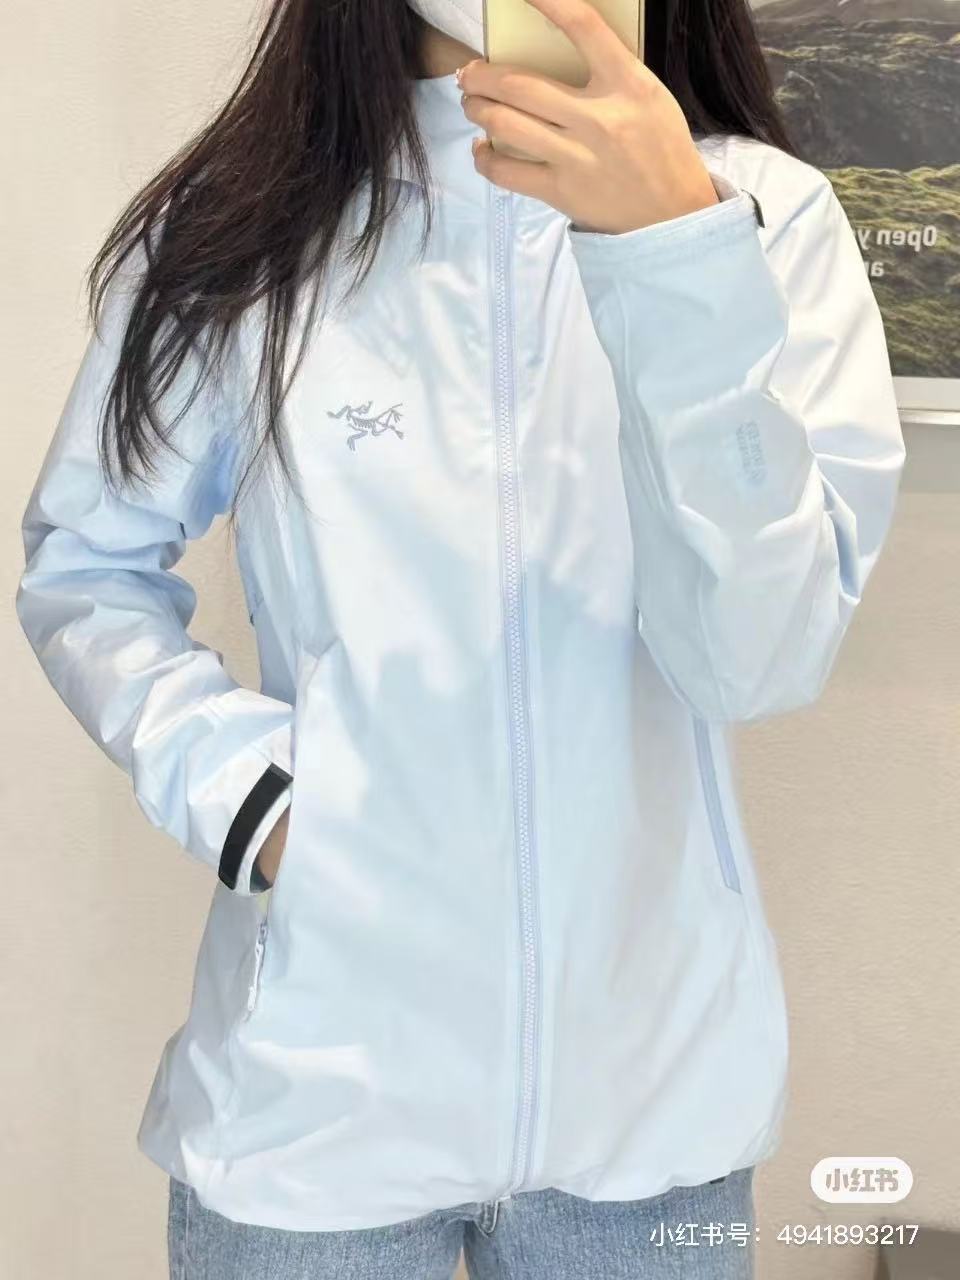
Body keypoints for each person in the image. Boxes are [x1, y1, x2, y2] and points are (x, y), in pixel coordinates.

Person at [15, 0, 905, 1275]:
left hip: (652, 1101)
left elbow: (756, 657)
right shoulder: (251, 223)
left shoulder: (761, 216)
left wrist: (672, 256)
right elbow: (88, 566)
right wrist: (252, 796)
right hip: (316, 1105)